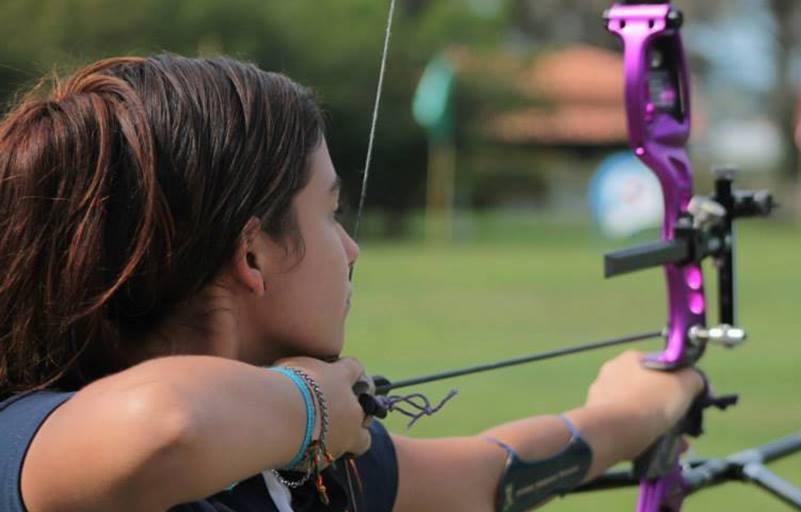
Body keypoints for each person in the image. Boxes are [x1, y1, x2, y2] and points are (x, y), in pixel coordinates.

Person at [0, 55, 704, 512]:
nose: (353, 249)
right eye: (331, 213)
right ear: (253, 254)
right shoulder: (28, 440)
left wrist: (638, 408)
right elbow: (165, 426)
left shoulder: (294, 465)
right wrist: (309, 408)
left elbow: (490, 476)